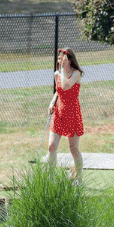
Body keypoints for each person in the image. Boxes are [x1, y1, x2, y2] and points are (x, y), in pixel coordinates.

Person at [46, 47, 84, 178]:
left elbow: (66, 86)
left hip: (72, 114)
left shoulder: (76, 74)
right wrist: (52, 102)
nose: (59, 61)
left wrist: (62, 70)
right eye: (58, 59)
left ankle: (78, 177)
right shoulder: (57, 74)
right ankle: (50, 178)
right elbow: (59, 91)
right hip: (59, 113)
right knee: (51, 146)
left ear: (69, 60)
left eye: (62, 58)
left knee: (73, 149)